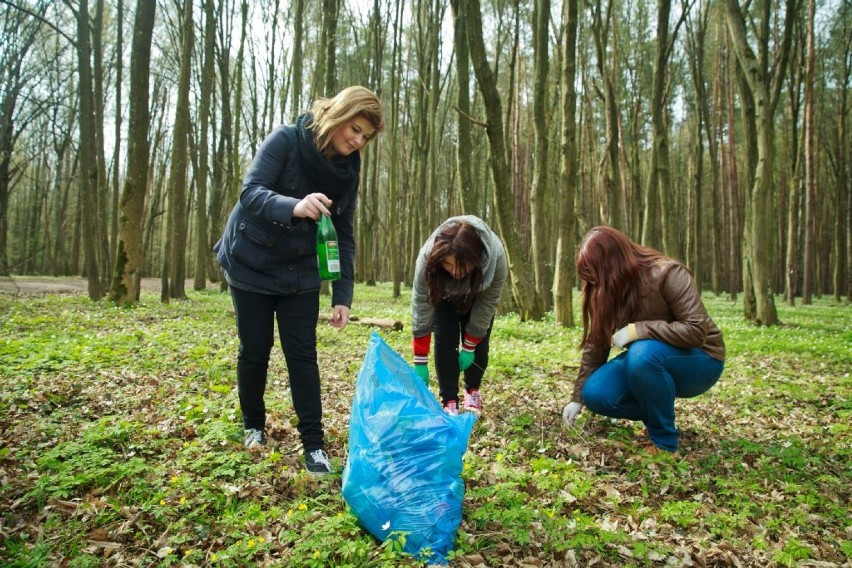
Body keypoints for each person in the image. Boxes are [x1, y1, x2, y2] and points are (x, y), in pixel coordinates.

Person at [214, 86, 384, 475]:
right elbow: (250, 192)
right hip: (252, 260)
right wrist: (294, 205)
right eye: (354, 129)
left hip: (301, 267)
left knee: (303, 354)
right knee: (255, 348)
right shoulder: (286, 140)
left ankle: (314, 446)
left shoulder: (348, 169)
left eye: (366, 137)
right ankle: (253, 426)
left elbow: (344, 230)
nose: (357, 141)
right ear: (338, 115)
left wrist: (342, 293)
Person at [562, 226, 725, 454]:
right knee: (596, 393)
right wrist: (577, 398)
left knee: (642, 353)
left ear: (614, 264)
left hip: (701, 360)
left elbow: (696, 330)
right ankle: (658, 408)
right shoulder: (605, 288)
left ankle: (664, 442)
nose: (594, 283)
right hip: (648, 359)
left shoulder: (668, 273)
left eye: (597, 273)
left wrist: (638, 330)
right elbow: (596, 343)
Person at [411, 216, 508, 416]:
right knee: (445, 339)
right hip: (443, 293)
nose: (455, 271)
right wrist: (420, 360)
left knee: (480, 345)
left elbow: (488, 302)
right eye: (447, 264)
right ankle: (449, 400)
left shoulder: (496, 257)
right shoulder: (428, 256)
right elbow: (421, 302)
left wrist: (470, 344)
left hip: (478, 294)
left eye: (462, 265)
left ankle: (472, 390)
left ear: (475, 257)